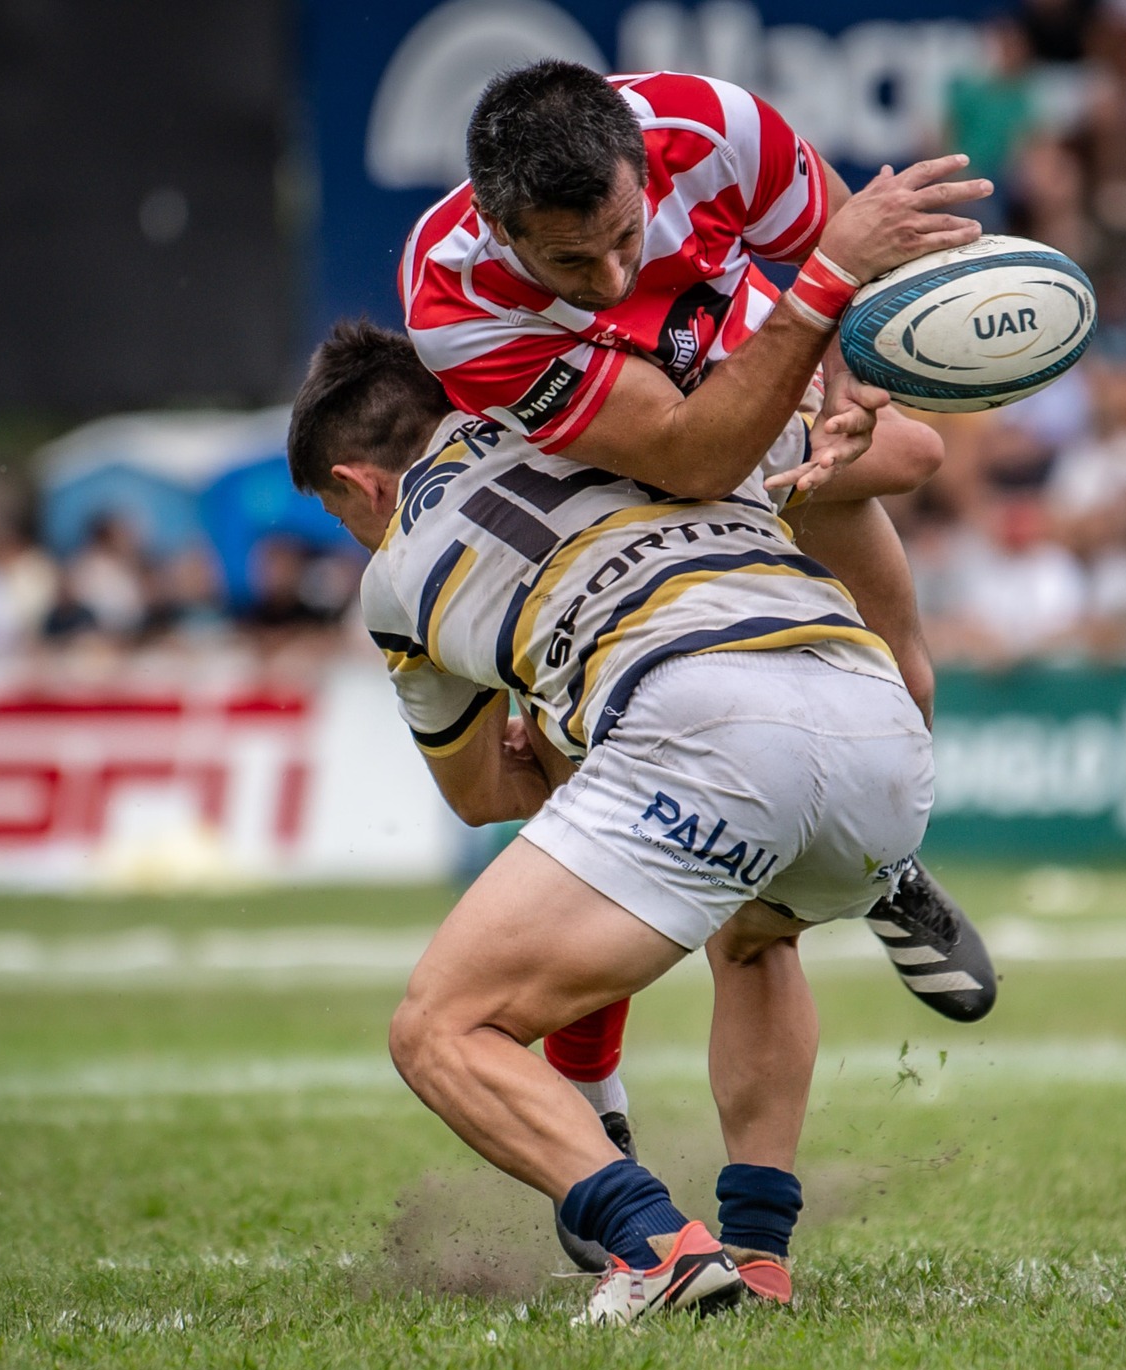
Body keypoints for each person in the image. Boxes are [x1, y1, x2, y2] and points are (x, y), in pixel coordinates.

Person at [400, 60, 999, 1260]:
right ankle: (601, 1100)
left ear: (648, 166)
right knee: (606, 788)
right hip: (625, 463)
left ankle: (884, 874)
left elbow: (851, 292)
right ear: (499, 225)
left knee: (907, 513)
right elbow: (684, 456)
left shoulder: (711, 126)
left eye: (625, 238)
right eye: (571, 265)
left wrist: (842, 388)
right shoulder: (453, 296)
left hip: (752, 387)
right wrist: (825, 287)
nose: (611, 277)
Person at [289, 322, 933, 1322]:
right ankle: (756, 1250)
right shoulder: (624, 407)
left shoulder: (393, 574)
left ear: (361, 485)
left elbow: (480, 798)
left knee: (439, 1026)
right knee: (754, 928)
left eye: (343, 516)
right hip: (882, 726)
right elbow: (910, 452)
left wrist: (532, 738)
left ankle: (648, 1239)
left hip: (703, 728)